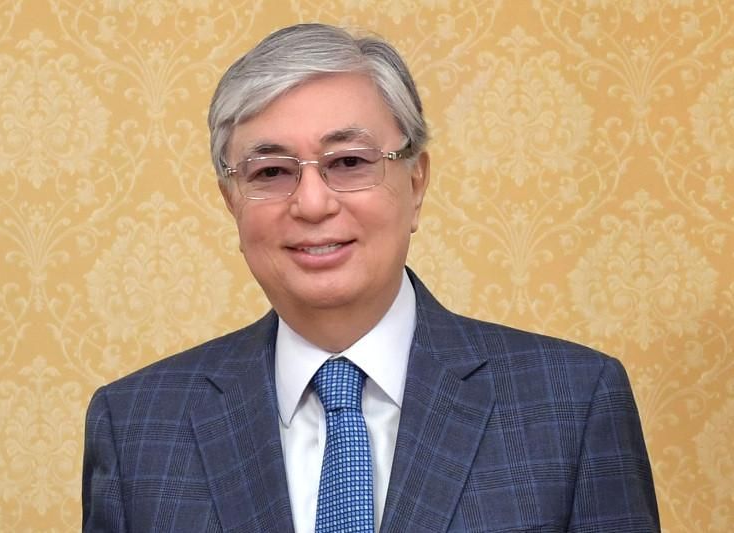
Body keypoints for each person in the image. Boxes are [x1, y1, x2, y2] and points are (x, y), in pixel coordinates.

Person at [82, 23, 659, 532]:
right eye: (272, 171)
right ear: (232, 200)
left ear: (416, 183)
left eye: (349, 163)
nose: (312, 203)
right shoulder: (137, 426)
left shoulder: (571, 402)